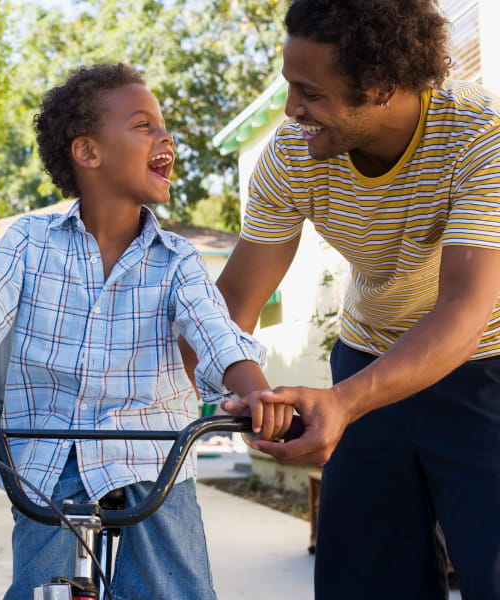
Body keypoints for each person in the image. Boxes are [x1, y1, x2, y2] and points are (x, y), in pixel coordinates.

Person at [0, 63, 292, 600]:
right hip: (46, 460)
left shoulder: (177, 259)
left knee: (175, 588)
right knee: (39, 587)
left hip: (154, 460)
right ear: (88, 152)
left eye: (163, 126)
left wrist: (257, 392)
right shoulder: (29, 242)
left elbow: (217, 335)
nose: (165, 137)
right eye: (144, 125)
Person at [212, 1, 500, 598]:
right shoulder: (294, 154)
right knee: (364, 581)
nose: (292, 110)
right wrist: (248, 394)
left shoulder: (481, 140)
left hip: (485, 370)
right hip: (367, 358)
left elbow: (464, 311)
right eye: (290, 86)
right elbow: (234, 301)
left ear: (382, 88)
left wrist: (342, 402)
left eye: (310, 93)